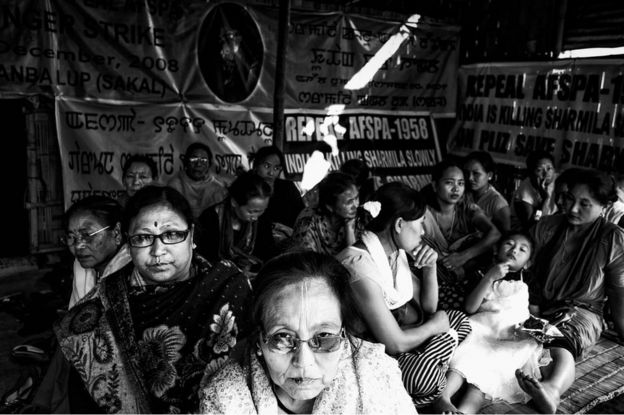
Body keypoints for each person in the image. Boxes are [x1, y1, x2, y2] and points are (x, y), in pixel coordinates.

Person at [54, 186, 252, 413]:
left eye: (171, 234)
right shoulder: (100, 307)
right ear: (128, 242)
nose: (158, 251)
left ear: (191, 235)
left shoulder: (227, 285)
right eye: (143, 237)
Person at [200, 251, 416, 414]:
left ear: (344, 335)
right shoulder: (224, 394)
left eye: (324, 337)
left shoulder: (376, 375)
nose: (304, 363)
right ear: (259, 340)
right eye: (282, 337)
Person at [337, 183, 471, 408]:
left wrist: (430, 267)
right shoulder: (359, 267)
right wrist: (433, 328)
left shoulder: (394, 254)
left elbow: (428, 308)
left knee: (460, 320)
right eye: (419, 224)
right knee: (424, 377)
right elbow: (395, 344)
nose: (423, 232)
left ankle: (433, 373)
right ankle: (439, 378)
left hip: (407, 337)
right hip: (372, 355)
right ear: (399, 224)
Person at [515, 169, 624, 413]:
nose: (573, 209)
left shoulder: (614, 238)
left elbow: (618, 293)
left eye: (585, 203)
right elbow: (523, 265)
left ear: (604, 206)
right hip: (536, 302)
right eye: (570, 199)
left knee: (559, 339)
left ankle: (552, 390)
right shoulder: (548, 225)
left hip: (580, 311)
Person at [436, 232, 543, 414]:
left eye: (522, 249)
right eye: (509, 244)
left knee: (487, 378)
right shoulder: (481, 272)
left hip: (513, 338)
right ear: (496, 249)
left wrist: (533, 330)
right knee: (465, 359)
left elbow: (535, 315)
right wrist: (490, 277)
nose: (514, 250)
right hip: (482, 329)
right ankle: (442, 398)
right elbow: (470, 307)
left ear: (528, 262)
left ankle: (464, 411)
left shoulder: (530, 280)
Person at [421, 160, 501, 310]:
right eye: (449, 183)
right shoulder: (423, 214)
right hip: (433, 278)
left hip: (465, 277)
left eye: (460, 183)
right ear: (434, 185)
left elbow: (494, 234)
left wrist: (463, 256)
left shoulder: (468, 209)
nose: (456, 189)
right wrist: (444, 260)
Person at [197, 171, 275, 275]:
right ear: (234, 202)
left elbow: (268, 254)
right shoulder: (209, 219)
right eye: (251, 212)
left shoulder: (262, 220)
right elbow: (204, 259)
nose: (256, 218)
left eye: (261, 211)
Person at [61, 196, 131, 308]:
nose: (78, 246)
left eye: (87, 235)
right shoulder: (81, 266)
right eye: (71, 237)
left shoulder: (133, 271)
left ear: (116, 233)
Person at [290, 172, 364, 256]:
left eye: (356, 198)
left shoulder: (355, 217)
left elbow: (357, 261)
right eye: (349, 202)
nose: (356, 205)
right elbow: (306, 265)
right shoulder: (307, 225)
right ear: (330, 206)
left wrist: (349, 228)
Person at [251, 146, 304, 243]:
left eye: (276, 168)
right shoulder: (246, 188)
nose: (271, 172)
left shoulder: (288, 189)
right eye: (266, 166)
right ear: (256, 165)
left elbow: (301, 220)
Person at [167, 142, 231, 218]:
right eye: (194, 159)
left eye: (203, 160)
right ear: (186, 162)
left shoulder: (217, 189)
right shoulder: (175, 185)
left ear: (209, 164)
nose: (198, 164)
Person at [463, 151, 510, 233]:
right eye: (467, 173)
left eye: (476, 174)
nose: (470, 178)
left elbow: (505, 237)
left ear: (489, 175)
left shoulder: (498, 203)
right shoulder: (463, 193)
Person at [511, 151, 558, 230]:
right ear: (530, 173)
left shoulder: (560, 183)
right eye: (539, 170)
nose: (546, 173)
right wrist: (544, 200)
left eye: (549, 168)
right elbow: (534, 223)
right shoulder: (523, 194)